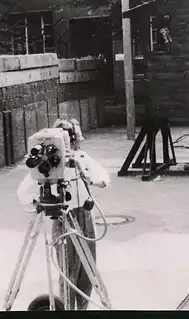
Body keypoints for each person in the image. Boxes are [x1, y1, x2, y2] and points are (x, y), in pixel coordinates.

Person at [16, 118, 110, 310]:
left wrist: (89, 178)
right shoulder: (49, 165)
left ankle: (83, 308)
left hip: (84, 215)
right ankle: (67, 308)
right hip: (62, 217)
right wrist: (37, 201)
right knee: (68, 271)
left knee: (87, 270)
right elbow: (23, 193)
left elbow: (103, 178)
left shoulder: (81, 159)